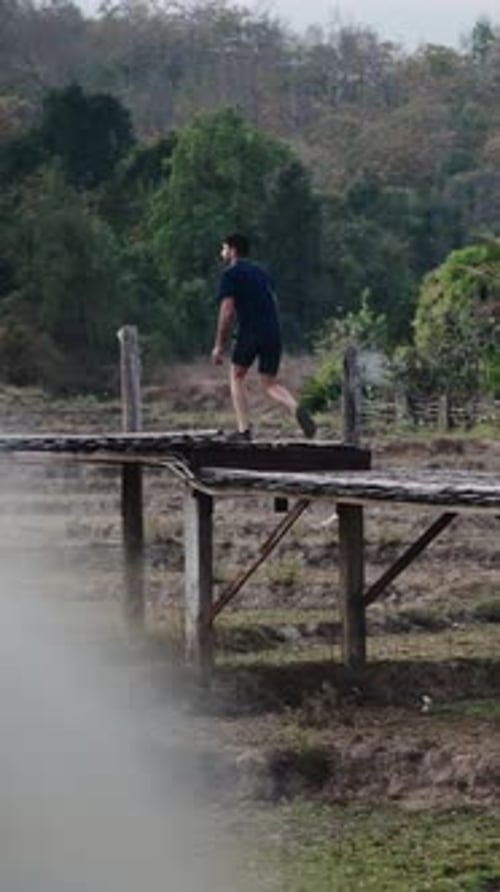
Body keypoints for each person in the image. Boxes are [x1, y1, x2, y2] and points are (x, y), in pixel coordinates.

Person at [211, 233, 316, 440]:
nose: (221, 253)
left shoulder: (231, 274)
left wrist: (219, 345)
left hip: (250, 330)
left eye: (223, 248)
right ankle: (295, 407)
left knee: (236, 376)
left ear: (232, 250)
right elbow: (273, 301)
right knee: (270, 383)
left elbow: (227, 312)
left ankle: (244, 430)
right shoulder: (262, 272)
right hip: (273, 330)